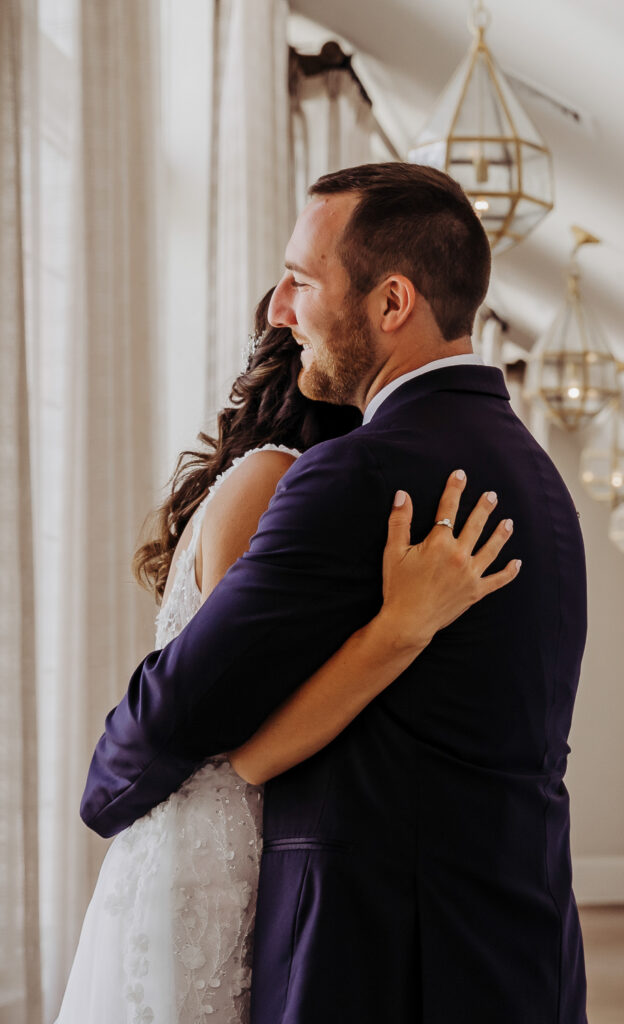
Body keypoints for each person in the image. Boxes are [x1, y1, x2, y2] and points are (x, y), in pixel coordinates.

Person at [81, 163, 589, 1023]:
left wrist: (102, 788)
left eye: (302, 280)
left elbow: (184, 707)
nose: (281, 308)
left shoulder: (357, 475)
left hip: (380, 958)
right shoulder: (539, 482)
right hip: (524, 948)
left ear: (392, 303)